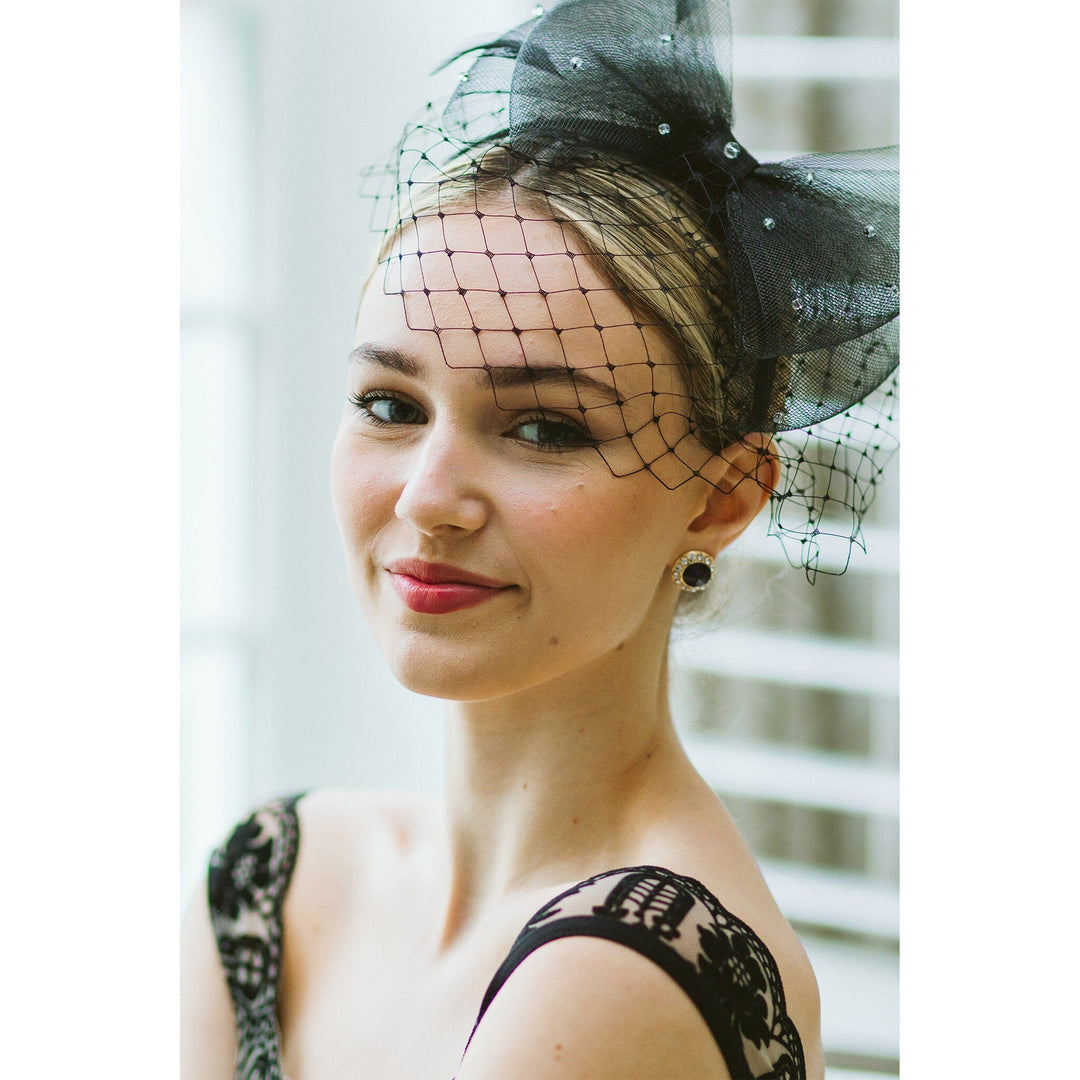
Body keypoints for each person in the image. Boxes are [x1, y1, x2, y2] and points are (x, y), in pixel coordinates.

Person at [181, 2, 898, 1078]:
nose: (430, 499)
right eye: (389, 404)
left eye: (543, 428)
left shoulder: (624, 971)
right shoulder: (276, 881)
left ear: (721, 499)